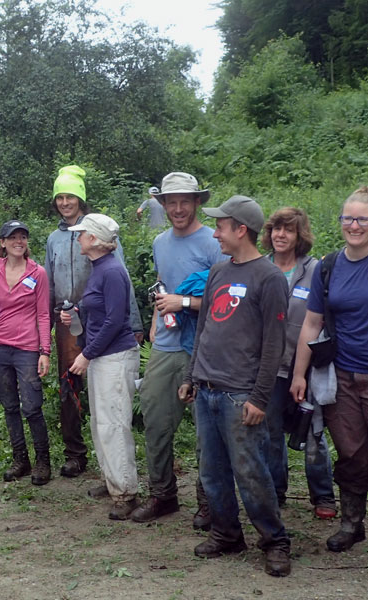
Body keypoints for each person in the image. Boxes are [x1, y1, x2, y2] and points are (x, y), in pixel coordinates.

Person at [291, 186, 368, 567]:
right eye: (347, 218)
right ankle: (352, 524)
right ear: (340, 221)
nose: (354, 225)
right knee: (351, 452)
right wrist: (299, 374)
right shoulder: (328, 266)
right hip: (341, 376)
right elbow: (311, 323)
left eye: (362, 219)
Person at [180, 195, 291, 577]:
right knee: (212, 470)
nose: (216, 233)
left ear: (241, 230)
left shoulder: (269, 277)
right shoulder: (218, 272)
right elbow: (205, 329)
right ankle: (227, 534)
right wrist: (191, 376)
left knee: (251, 472)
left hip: (240, 394)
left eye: (222, 226)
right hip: (207, 387)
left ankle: (275, 541)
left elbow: (274, 343)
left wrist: (260, 397)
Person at [133, 172, 224, 530]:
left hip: (206, 347)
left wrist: (183, 301)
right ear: (163, 205)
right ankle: (163, 494)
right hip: (167, 344)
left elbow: (226, 301)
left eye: (186, 201)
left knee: (206, 430)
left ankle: (208, 501)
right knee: (154, 419)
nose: (179, 208)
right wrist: (158, 316)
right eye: (172, 202)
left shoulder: (213, 243)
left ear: (197, 202)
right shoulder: (160, 243)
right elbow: (164, 287)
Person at [45, 165, 143, 479]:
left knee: (104, 390)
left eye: (70, 196)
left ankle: (116, 469)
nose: (64, 202)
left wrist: (136, 323)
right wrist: (45, 329)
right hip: (67, 319)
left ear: (81, 200)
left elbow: (121, 279)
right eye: (59, 197)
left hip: (103, 320)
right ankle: (76, 454)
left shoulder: (99, 233)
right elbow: (48, 283)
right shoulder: (54, 240)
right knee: (69, 385)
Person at [61, 213, 141, 520]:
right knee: (101, 423)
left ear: (94, 239)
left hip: (114, 357)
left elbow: (114, 320)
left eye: (81, 234)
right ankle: (113, 482)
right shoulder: (100, 269)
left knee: (114, 425)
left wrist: (86, 354)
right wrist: (78, 312)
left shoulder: (111, 271)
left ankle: (126, 492)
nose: (78, 238)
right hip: (103, 357)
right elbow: (101, 307)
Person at [261, 208, 336, 518]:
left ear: (299, 236)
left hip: (309, 365)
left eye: (288, 230)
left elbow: (322, 320)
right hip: (271, 368)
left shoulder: (316, 270)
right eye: (276, 229)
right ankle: (276, 492)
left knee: (313, 431)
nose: (281, 235)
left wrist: (305, 370)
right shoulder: (260, 269)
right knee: (271, 431)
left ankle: (323, 496)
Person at [0, 220, 52, 485]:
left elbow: (43, 313)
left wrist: (45, 351)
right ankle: (21, 459)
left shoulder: (37, 273)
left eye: (23, 237)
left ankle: (43, 461)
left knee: (32, 406)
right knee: (9, 406)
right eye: (13, 237)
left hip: (28, 349)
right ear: (3, 243)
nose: (19, 241)